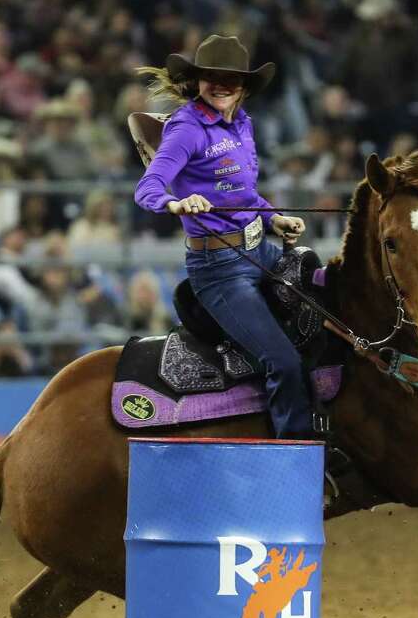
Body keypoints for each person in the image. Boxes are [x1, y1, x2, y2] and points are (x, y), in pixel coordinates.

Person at [133, 35, 312, 440]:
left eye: (230, 78)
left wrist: (274, 218)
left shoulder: (242, 124)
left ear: (244, 86)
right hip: (220, 269)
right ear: (198, 81)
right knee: (281, 361)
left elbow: (244, 194)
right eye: (211, 76)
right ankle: (299, 457)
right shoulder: (187, 128)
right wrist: (176, 204)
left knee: (320, 287)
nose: (221, 84)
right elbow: (148, 188)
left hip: (258, 249)